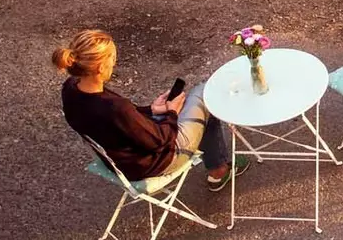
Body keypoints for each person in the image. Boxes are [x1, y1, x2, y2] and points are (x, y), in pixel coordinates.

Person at [53, 29, 247, 189]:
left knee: (195, 108)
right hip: (155, 161)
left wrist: (152, 110)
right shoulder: (115, 107)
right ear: (100, 68)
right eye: (112, 58)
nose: (114, 62)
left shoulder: (72, 89)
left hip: (121, 160)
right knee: (203, 94)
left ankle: (218, 165)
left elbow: (124, 122)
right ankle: (218, 169)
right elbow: (160, 140)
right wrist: (172, 112)